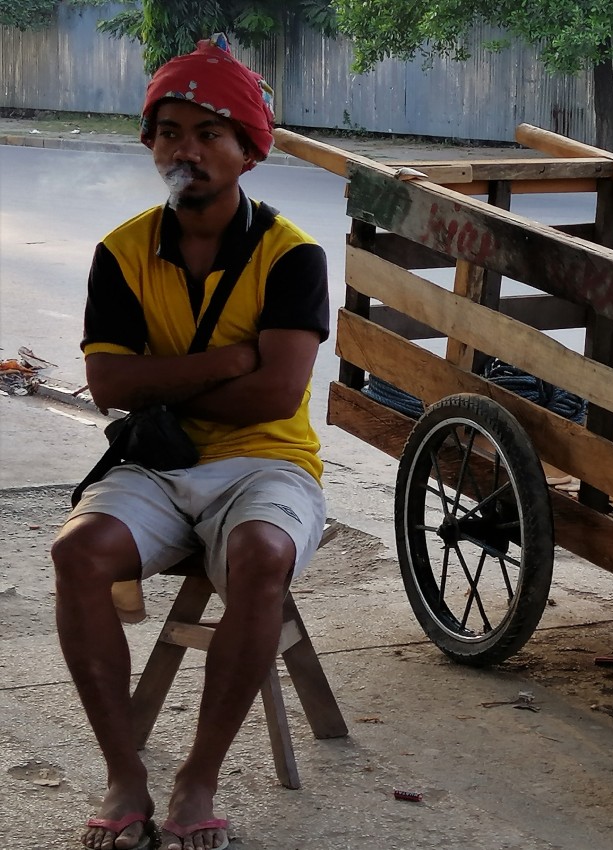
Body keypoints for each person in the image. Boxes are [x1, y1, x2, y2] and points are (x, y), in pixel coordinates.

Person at [50, 34, 330, 850]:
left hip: (270, 462)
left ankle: (196, 779)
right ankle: (126, 775)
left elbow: (277, 395)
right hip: (159, 462)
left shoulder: (292, 257)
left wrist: (165, 375)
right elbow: (109, 388)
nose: (187, 149)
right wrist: (229, 360)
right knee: (77, 553)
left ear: (248, 152)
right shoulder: (123, 252)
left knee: (263, 555)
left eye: (211, 133)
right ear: (151, 147)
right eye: (170, 131)